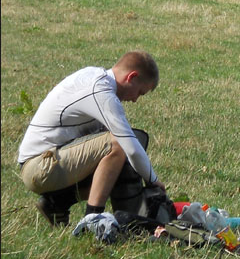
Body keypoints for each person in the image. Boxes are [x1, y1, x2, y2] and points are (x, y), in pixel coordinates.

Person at [17, 51, 166, 226]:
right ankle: (92, 221)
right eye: (140, 92)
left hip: (48, 162)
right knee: (117, 145)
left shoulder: (94, 76)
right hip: (38, 167)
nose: (135, 100)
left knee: (117, 162)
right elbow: (130, 146)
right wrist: (154, 181)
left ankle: (57, 203)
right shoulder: (101, 91)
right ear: (131, 77)